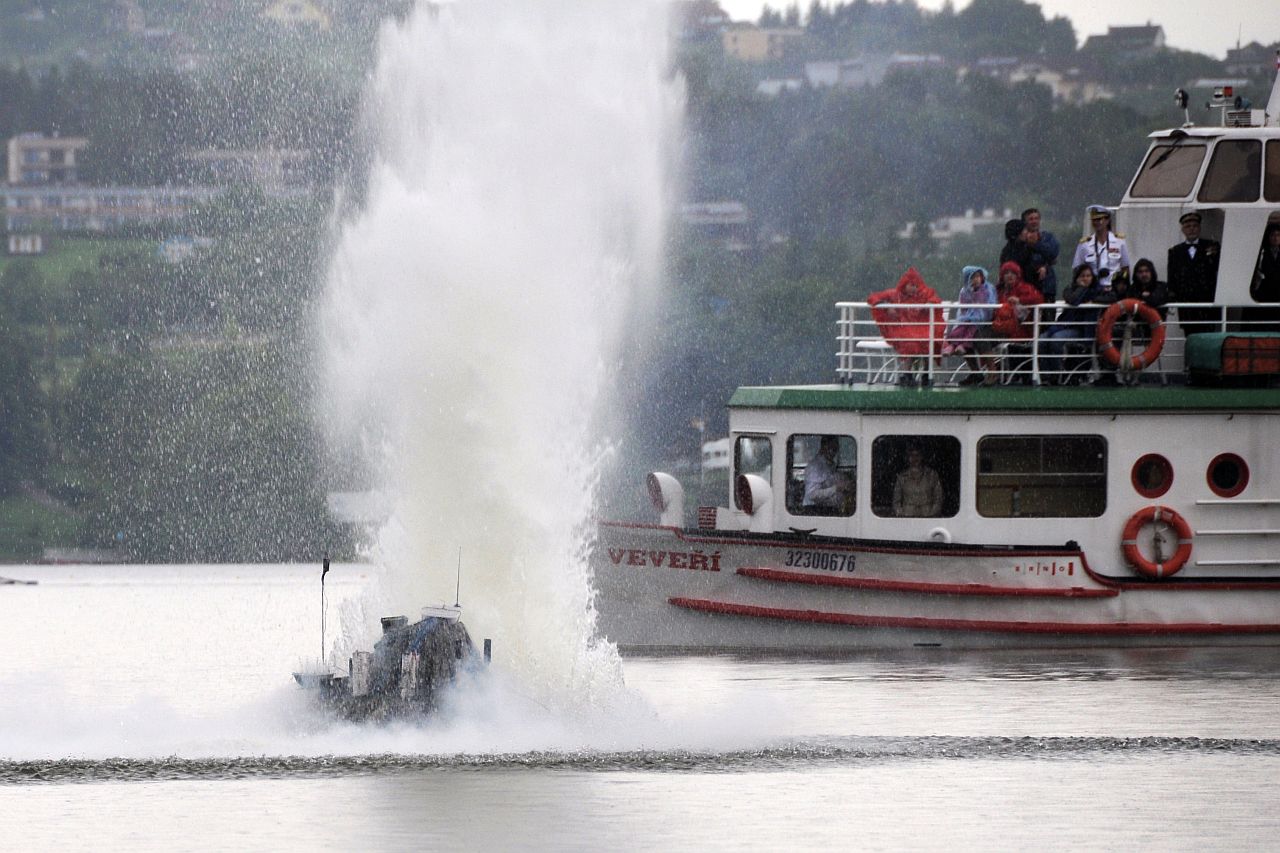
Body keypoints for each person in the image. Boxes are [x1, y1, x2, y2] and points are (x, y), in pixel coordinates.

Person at [867, 267, 944, 385]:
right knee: (910, 342)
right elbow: (873, 297)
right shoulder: (895, 295)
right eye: (911, 285)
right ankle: (907, 374)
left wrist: (927, 305)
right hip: (902, 328)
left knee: (928, 341)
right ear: (905, 284)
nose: (914, 288)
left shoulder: (925, 294)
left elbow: (935, 299)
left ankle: (926, 373)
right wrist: (886, 306)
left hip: (922, 328)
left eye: (916, 285)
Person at [1041, 264, 1102, 384]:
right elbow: (1072, 299)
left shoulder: (1097, 292)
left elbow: (1111, 297)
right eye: (1082, 276)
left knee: (1055, 340)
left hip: (1082, 329)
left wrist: (1092, 299)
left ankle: (1059, 374)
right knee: (1042, 340)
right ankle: (1047, 374)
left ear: (1093, 277)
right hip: (1064, 325)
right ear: (1077, 278)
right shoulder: (1069, 289)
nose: (1085, 279)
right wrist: (1081, 288)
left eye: (1088, 276)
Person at [1166, 211, 1221, 338]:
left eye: (1195, 226)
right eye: (1188, 226)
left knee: (1208, 338)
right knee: (1190, 337)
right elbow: (1172, 276)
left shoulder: (1212, 246)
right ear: (1183, 229)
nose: (1192, 229)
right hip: (1187, 303)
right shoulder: (1175, 251)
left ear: (1200, 228)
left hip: (1207, 302)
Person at [943, 265, 996, 385]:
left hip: (982, 321)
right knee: (959, 330)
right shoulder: (965, 291)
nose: (975, 280)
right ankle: (953, 346)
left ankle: (963, 346)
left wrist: (975, 313)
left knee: (973, 334)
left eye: (977, 276)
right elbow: (963, 308)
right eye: (972, 277)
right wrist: (966, 316)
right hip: (968, 319)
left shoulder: (987, 289)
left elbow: (988, 308)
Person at [1072, 205, 1130, 290]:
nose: (1096, 223)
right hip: (1092, 289)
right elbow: (1077, 269)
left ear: (1107, 220)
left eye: (1099, 219)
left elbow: (1125, 268)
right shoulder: (1085, 244)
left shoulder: (1119, 242)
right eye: (1094, 220)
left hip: (1113, 289)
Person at [1020, 208, 1061, 302]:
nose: (1034, 221)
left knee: (1048, 315)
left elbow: (1053, 254)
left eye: (1036, 218)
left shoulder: (1048, 237)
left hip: (1047, 286)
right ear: (1025, 222)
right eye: (1031, 219)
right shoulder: (1021, 241)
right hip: (1027, 287)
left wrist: (1036, 244)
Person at [803, 436, 852, 511]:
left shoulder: (830, 465)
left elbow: (829, 481)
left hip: (829, 509)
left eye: (835, 449)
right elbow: (812, 494)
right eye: (831, 448)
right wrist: (836, 488)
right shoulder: (815, 466)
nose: (833, 452)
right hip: (814, 510)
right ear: (823, 447)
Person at [1246, 223, 1280, 331]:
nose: (1275, 238)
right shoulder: (1261, 253)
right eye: (1273, 235)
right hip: (1265, 293)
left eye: (1278, 235)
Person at [893, 444, 942, 517]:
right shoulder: (902, 477)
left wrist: (932, 513)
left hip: (928, 517)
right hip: (907, 518)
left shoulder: (932, 475)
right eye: (911, 455)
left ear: (922, 457)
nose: (914, 458)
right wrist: (901, 514)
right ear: (908, 458)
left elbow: (938, 498)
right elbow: (896, 501)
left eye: (917, 455)